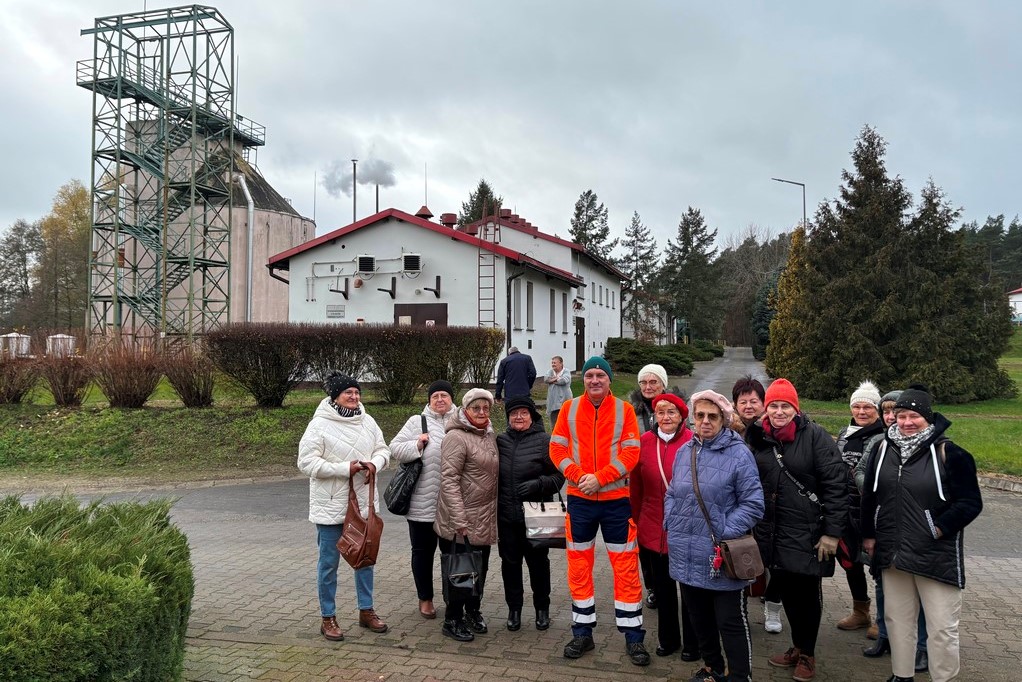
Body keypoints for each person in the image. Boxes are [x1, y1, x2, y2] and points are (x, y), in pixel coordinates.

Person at [861, 386, 983, 682]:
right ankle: (901, 675)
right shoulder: (881, 449)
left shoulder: (950, 453)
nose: (905, 422)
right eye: (900, 415)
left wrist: (938, 527)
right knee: (898, 621)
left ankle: (942, 677)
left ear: (928, 418)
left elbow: (970, 503)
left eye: (913, 415)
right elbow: (869, 496)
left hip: (934, 553)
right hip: (893, 552)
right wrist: (868, 535)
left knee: (942, 627)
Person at [549, 356, 650, 666]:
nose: (594, 380)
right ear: (584, 379)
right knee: (579, 566)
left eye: (600, 376)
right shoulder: (569, 408)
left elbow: (632, 452)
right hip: (580, 500)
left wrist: (600, 478)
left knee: (626, 567)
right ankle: (582, 633)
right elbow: (557, 448)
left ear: (609, 380)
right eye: (590, 375)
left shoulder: (625, 410)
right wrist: (580, 477)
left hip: (616, 501)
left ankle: (633, 637)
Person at [746, 378, 847, 682]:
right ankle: (797, 645)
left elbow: (836, 486)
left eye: (785, 406)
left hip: (808, 533)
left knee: (807, 596)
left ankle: (808, 654)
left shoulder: (816, 437)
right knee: (787, 592)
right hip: (772, 531)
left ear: (795, 409)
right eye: (773, 406)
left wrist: (832, 533)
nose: (778, 412)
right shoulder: (760, 437)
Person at [665, 390, 764, 682]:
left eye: (712, 416)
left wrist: (723, 532)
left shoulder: (739, 454)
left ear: (724, 419)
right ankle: (713, 668)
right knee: (699, 618)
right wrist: (670, 519)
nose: (705, 421)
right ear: (692, 419)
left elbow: (753, 503)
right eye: (699, 416)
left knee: (730, 621)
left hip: (720, 553)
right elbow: (672, 492)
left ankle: (739, 675)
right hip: (686, 549)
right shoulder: (686, 451)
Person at [298, 372, 391, 642]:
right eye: (348, 392)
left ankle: (366, 611)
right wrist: (344, 469)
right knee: (328, 565)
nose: (354, 397)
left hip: (363, 505)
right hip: (330, 508)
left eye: (357, 392)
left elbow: (383, 449)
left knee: (365, 560)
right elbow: (306, 463)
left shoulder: (368, 421)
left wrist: (376, 463)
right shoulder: (318, 425)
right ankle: (328, 617)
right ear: (335, 396)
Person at [858, 389, 930, 672]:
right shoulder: (879, 442)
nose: (890, 417)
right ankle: (885, 636)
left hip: (915, 529)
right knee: (883, 584)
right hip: (883, 525)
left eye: (894, 412)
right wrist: (878, 489)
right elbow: (861, 473)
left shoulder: (928, 444)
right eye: (887, 412)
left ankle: (922, 647)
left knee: (920, 589)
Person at [629, 393, 700, 661]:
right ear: (654, 416)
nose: (666, 417)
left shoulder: (694, 443)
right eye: (661, 412)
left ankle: (694, 644)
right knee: (663, 590)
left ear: (683, 416)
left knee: (690, 591)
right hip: (652, 528)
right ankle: (668, 639)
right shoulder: (644, 442)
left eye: (672, 412)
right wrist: (638, 519)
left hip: (686, 531)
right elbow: (635, 486)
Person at [433, 387, 500, 642]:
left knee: (478, 569)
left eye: (486, 408)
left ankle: (473, 611)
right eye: (476, 408)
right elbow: (449, 481)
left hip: (484, 517)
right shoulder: (456, 437)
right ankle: (452, 619)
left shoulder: (488, 434)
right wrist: (459, 520)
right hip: (460, 520)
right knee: (459, 572)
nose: (481, 412)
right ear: (465, 409)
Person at [388, 380, 457, 620]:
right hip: (421, 503)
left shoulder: (461, 419)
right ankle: (425, 598)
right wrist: (417, 444)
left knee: (452, 555)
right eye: (435, 396)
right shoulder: (417, 421)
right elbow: (394, 448)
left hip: (452, 505)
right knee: (422, 553)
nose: (440, 399)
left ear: (451, 399)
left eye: (444, 395)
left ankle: (454, 600)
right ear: (429, 400)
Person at [496, 395, 565, 632]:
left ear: (532, 416)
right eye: (514, 413)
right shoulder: (501, 441)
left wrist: (538, 485)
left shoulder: (544, 441)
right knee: (510, 565)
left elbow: (559, 477)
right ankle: (514, 610)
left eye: (524, 413)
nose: (518, 417)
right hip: (507, 518)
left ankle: (542, 609)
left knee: (538, 566)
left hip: (536, 516)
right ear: (508, 417)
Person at [627, 362, 685, 609]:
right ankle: (653, 586)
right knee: (646, 543)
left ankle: (676, 585)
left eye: (653, 382)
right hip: (642, 482)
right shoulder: (632, 411)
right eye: (644, 382)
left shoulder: (677, 409)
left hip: (673, 486)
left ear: (663, 384)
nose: (648, 387)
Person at [730, 375, 783, 634]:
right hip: (738, 507)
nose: (749, 406)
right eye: (743, 401)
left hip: (771, 505)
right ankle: (738, 610)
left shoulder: (774, 430)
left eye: (754, 401)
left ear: (763, 403)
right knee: (740, 557)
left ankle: (773, 606)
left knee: (775, 561)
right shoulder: (729, 431)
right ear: (735, 405)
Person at [833, 381, 885, 633]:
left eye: (867, 407)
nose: (862, 412)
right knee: (850, 561)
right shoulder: (845, 433)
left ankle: (883, 619)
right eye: (857, 406)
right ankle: (860, 611)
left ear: (877, 410)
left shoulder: (883, 436)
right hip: (845, 508)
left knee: (875, 563)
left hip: (870, 511)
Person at [543, 355, 573, 427]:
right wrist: (556, 378)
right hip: (553, 401)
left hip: (564, 400)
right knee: (554, 422)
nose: (553, 364)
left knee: (565, 420)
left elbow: (564, 380)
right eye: (552, 363)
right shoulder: (550, 371)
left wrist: (552, 380)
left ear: (561, 363)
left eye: (555, 363)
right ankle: (554, 435)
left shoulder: (566, 371)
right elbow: (546, 379)